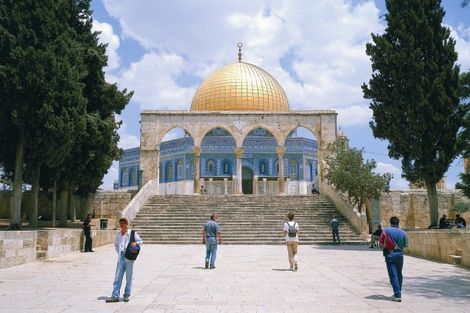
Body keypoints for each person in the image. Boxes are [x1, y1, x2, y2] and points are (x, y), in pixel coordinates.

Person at [107, 218, 143, 303]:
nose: (122, 225)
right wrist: (120, 253)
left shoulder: (132, 233)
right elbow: (116, 245)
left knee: (128, 277)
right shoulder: (118, 234)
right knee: (117, 277)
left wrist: (136, 243)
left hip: (129, 258)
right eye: (121, 223)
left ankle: (126, 295)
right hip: (121, 257)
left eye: (123, 223)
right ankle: (115, 295)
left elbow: (141, 241)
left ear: (126, 224)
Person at [379, 216, 408, 302]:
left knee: (393, 275)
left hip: (390, 254)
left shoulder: (386, 231)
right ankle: (398, 292)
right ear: (398, 223)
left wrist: (386, 246)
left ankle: (397, 294)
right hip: (400, 255)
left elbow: (381, 244)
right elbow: (405, 245)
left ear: (390, 222)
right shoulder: (403, 232)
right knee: (399, 274)